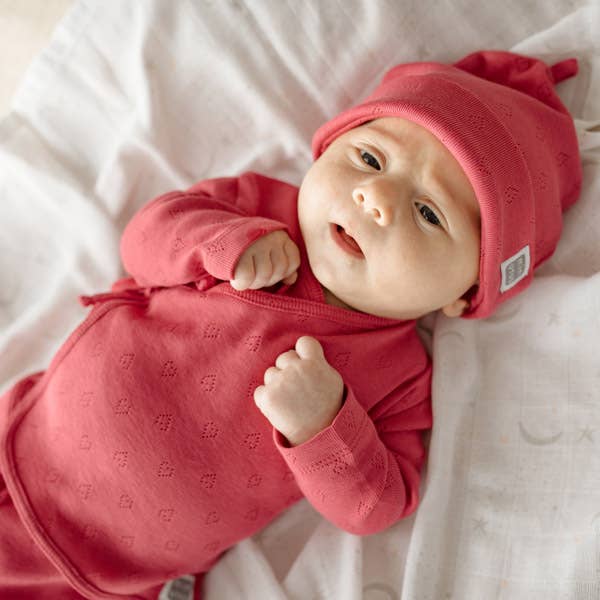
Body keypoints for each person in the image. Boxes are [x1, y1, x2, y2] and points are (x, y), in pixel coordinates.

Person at [0, 50, 581, 599]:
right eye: (370, 159)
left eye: (429, 213)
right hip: (21, 447)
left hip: (112, 575)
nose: (375, 197)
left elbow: (376, 508)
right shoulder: (253, 208)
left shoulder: (401, 378)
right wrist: (219, 243)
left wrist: (323, 426)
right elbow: (143, 240)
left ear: (465, 293)